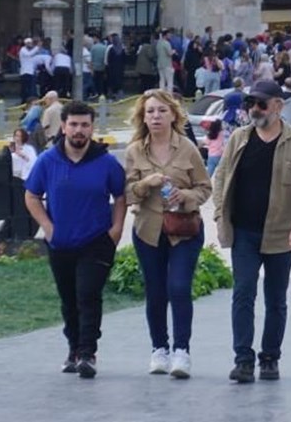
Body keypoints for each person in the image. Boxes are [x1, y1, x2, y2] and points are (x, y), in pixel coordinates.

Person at [212, 80, 291, 383]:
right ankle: (243, 359)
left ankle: (270, 357)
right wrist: (221, 214)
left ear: (277, 105)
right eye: (250, 104)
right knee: (243, 293)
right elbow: (221, 177)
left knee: (276, 299)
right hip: (244, 232)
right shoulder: (239, 138)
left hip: (281, 234)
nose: (254, 110)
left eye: (261, 104)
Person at [23, 101, 127, 378]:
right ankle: (73, 349)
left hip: (96, 241)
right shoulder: (48, 160)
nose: (79, 130)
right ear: (64, 126)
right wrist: (47, 226)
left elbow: (120, 196)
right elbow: (31, 196)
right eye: (74, 125)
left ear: (92, 128)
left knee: (88, 295)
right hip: (61, 243)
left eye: (84, 125)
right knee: (68, 300)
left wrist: (116, 229)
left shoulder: (106, 163)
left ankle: (87, 352)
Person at [123, 89, 212, 379]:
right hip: (148, 230)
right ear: (143, 117)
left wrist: (184, 196)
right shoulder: (135, 150)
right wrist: (144, 184)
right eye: (150, 111)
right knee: (156, 292)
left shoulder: (187, 147)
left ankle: (181, 351)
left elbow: (204, 188)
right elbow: (127, 193)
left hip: (184, 230)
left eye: (162, 110)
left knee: (179, 287)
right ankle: (159, 349)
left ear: (173, 115)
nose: (156, 116)